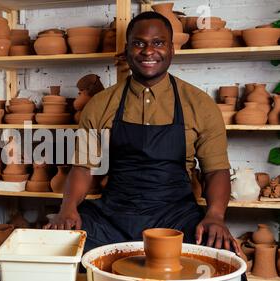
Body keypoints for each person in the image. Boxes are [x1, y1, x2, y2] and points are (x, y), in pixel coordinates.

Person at [44, 12, 243, 263]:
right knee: (59, 252)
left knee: (222, 259)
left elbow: (216, 170)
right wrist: (67, 208)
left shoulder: (199, 104)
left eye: (158, 43)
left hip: (176, 218)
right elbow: (83, 167)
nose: (148, 51)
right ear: (127, 49)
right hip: (113, 216)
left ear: (172, 49)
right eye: (139, 43)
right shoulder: (101, 104)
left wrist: (215, 216)